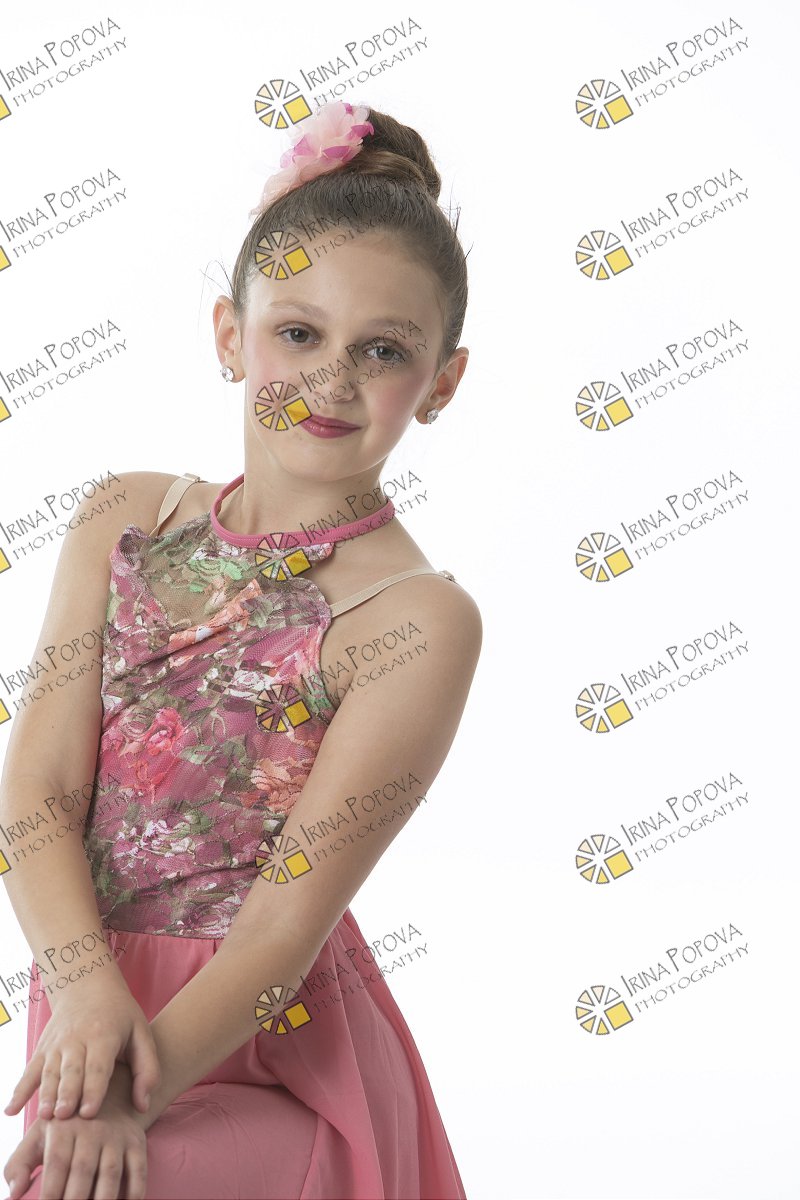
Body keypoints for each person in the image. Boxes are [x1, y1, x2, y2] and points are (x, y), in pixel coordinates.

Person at [0, 100, 481, 1200]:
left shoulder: (414, 620)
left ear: (442, 383)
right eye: (298, 334)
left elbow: (280, 927)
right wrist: (86, 995)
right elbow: (36, 789)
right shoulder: (122, 517)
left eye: (383, 351)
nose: (331, 380)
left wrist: (127, 1094)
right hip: (94, 1008)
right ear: (231, 335)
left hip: (275, 1055)